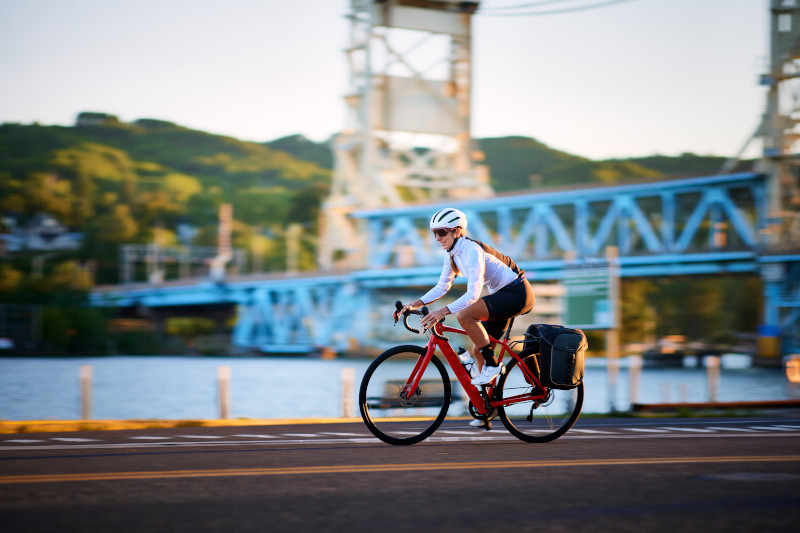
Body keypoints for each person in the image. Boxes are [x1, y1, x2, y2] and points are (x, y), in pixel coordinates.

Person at [394, 207, 535, 390]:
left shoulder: (472, 250)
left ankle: (493, 366)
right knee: (479, 351)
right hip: (502, 295)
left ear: (457, 231)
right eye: (434, 233)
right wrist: (412, 306)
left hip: (518, 294)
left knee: (464, 315)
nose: (437, 238)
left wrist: (442, 311)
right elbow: (442, 287)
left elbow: (473, 294)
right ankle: (488, 408)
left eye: (441, 232)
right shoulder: (451, 254)